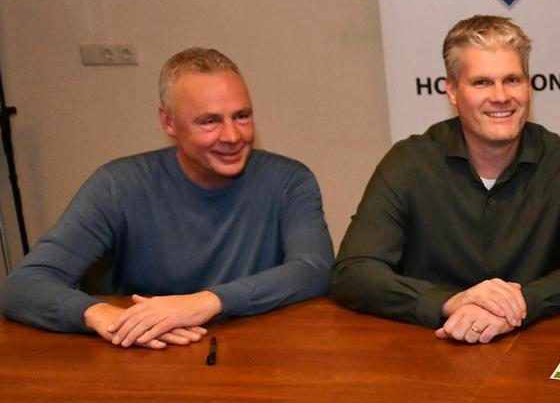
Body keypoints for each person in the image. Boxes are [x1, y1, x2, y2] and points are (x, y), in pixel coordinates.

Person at [0, 47, 332, 347]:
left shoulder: (289, 180)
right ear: (168, 122)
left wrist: (206, 302)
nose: (232, 136)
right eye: (209, 121)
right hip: (148, 352)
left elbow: (314, 269)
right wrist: (101, 314)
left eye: (242, 116)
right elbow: (23, 285)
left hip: (256, 351)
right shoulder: (118, 185)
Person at [332, 15, 560, 343]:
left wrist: (519, 304)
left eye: (512, 80)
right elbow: (353, 271)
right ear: (452, 90)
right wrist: (451, 302)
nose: (501, 96)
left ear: (529, 86)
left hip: (536, 346)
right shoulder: (409, 162)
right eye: (482, 82)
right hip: (432, 346)